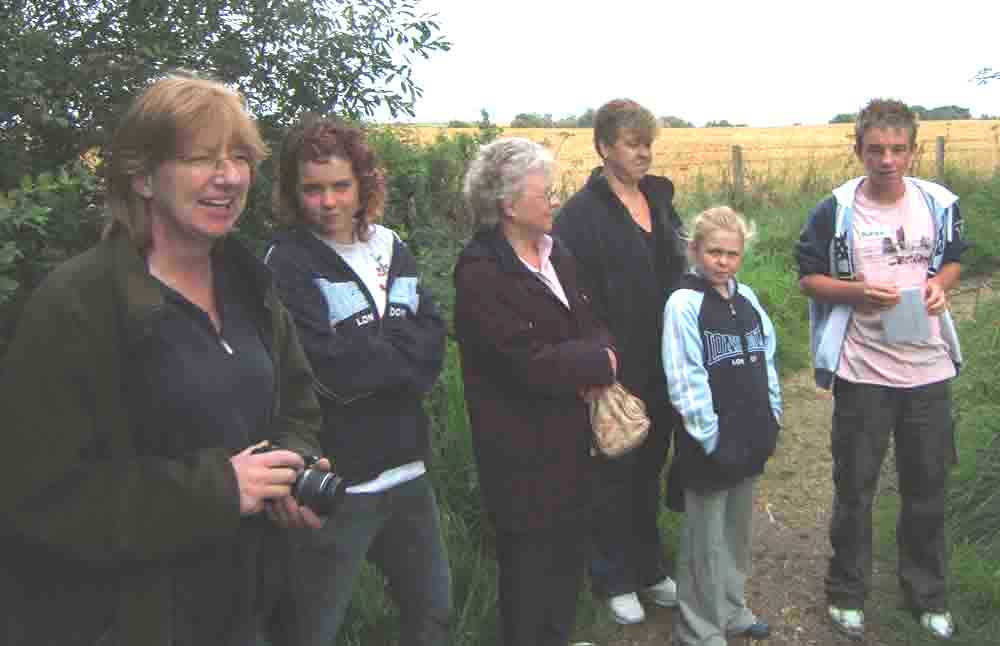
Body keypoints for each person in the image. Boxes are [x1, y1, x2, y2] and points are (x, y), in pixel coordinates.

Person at [0, 72, 325, 646]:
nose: (227, 177)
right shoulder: (79, 304)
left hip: (253, 611)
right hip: (133, 622)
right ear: (144, 177)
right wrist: (220, 489)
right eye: (200, 158)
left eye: (238, 157)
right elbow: (40, 500)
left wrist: (292, 468)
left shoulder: (252, 287)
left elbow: (296, 409)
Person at [265, 114, 452, 646]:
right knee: (311, 627)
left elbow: (433, 342)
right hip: (342, 480)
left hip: (409, 471)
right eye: (313, 189)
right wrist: (400, 359)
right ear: (293, 192)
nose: (328, 202)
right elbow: (327, 367)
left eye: (340, 186)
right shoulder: (288, 263)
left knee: (432, 615)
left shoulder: (393, 247)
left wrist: (387, 360)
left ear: (363, 182)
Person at [795, 98, 965, 641]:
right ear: (858, 150)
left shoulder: (940, 203)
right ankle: (846, 594)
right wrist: (856, 292)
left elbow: (955, 257)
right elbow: (808, 277)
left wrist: (942, 285)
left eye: (897, 150)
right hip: (862, 370)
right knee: (855, 489)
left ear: (913, 151)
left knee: (927, 488)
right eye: (875, 150)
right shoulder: (836, 209)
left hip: (928, 369)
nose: (887, 160)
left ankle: (927, 596)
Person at [454, 137, 618, 646]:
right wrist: (596, 361)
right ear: (507, 204)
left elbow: (591, 319)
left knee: (567, 554)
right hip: (520, 453)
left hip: (571, 437)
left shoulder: (556, 252)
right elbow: (522, 362)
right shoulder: (481, 271)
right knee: (529, 569)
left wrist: (601, 351)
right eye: (544, 193)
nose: (554, 201)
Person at [553, 98, 687, 624]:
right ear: (604, 146)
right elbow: (571, 294)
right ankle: (612, 576)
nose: (644, 153)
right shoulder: (580, 217)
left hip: (667, 360)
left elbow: (676, 265)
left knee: (651, 465)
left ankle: (650, 569)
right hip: (614, 367)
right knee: (614, 470)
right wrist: (597, 362)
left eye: (648, 143)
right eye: (633, 143)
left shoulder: (659, 199)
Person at [663, 206, 780, 645]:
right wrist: (709, 436)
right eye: (714, 251)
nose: (723, 261)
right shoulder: (684, 303)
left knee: (735, 533)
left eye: (732, 253)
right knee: (704, 542)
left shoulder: (745, 297)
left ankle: (732, 610)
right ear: (694, 249)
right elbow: (685, 378)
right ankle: (699, 629)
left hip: (750, 435)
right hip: (708, 444)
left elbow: (766, 356)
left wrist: (773, 416)